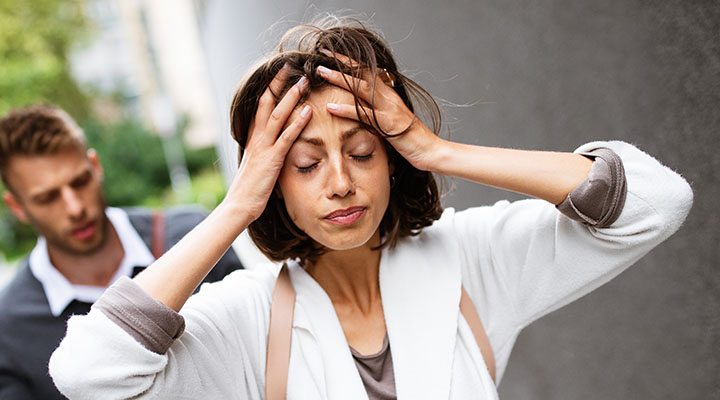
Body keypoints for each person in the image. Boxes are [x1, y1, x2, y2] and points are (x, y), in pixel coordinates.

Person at [49, 17, 693, 399]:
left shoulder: (469, 261)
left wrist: (434, 148)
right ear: (275, 181)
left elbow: (657, 202)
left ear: (391, 160)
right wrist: (236, 206)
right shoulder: (246, 319)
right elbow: (89, 373)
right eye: (304, 165)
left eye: (362, 152)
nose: (339, 182)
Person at [0, 104, 243, 399]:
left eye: (80, 181)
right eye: (47, 198)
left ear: (96, 166)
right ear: (16, 207)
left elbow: (260, 352)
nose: (75, 207)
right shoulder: (4, 328)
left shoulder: (193, 237)